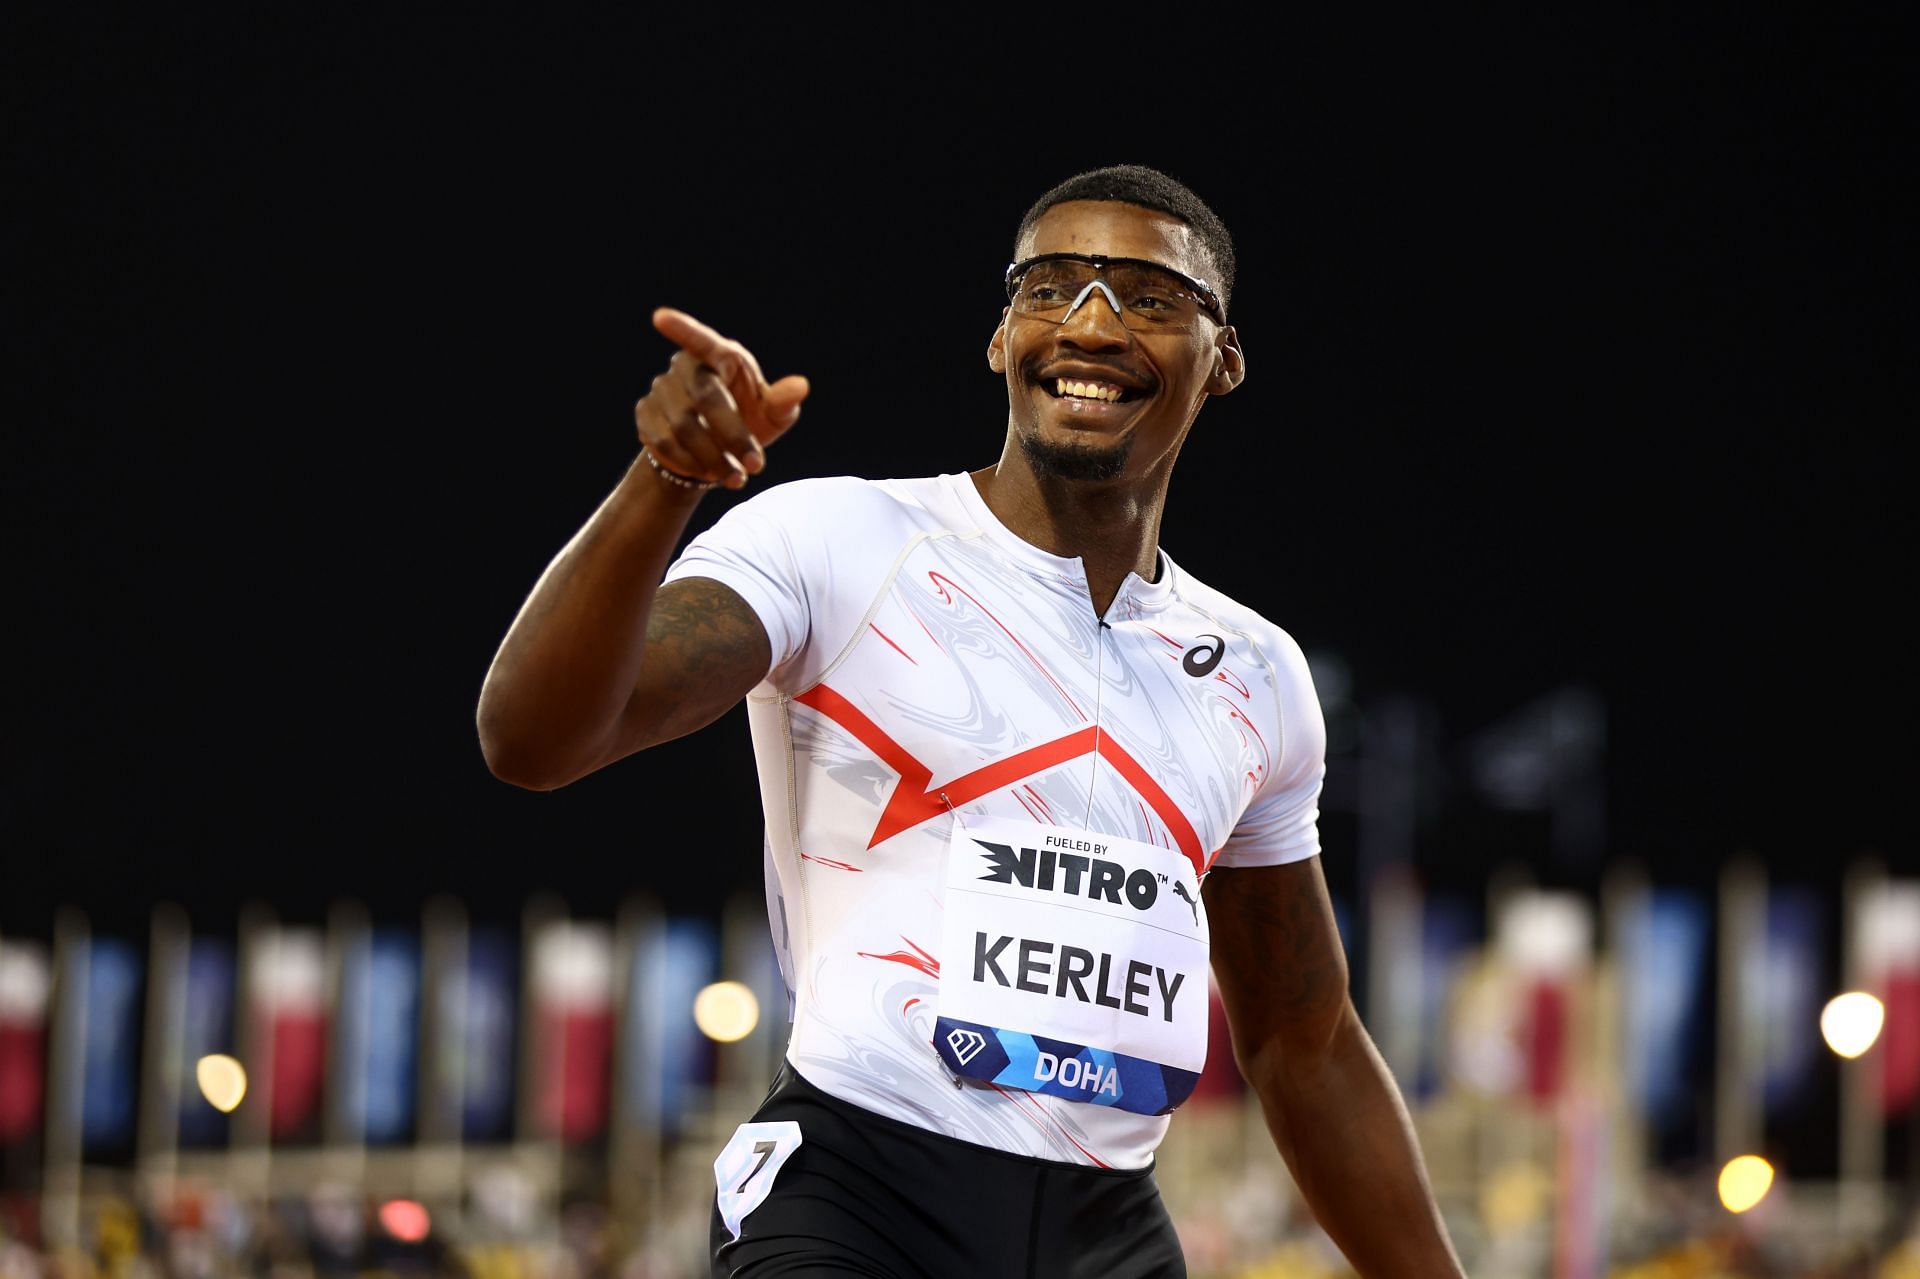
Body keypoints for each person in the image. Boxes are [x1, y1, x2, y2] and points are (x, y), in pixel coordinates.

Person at [477, 163, 1465, 1278]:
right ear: (1002, 336)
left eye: (1147, 296)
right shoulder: (839, 545)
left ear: (1224, 357)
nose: (1090, 324)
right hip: (856, 1193)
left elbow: (1306, 1041)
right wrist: (662, 480)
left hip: (1109, 1231)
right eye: (1052, 286)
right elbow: (534, 739)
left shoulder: (1254, 675)